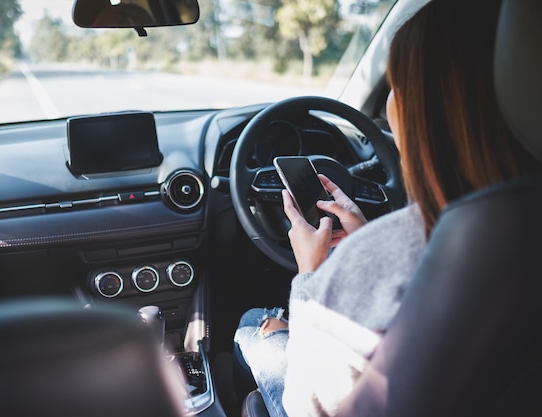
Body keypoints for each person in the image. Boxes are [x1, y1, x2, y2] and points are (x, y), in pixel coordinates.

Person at [232, 0, 542, 416]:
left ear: (421, 113)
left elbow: (306, 405)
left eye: (395, 85)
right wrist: (366, 238)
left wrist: (311, 275)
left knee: (255, 324)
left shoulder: (374, 257)